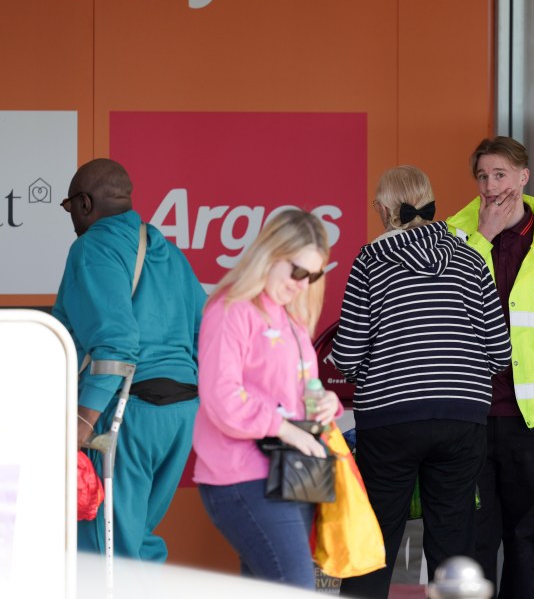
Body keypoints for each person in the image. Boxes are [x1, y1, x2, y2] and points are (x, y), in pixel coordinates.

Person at [333, 165, 512, 599]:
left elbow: (348, 354)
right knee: (453, 541)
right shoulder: (469, 257)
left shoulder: (370, 261)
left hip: (391, 418)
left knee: (375, 540)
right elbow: (502, 351)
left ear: (382, 209)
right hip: (463, 416)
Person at [446, 136, 534, 597]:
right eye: (483, 176)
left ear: (524, 177)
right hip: (469, 416)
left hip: (532, 420)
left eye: (500, 175)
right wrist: (482, 239)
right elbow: (444, 315)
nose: (490, 186)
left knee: (524, 540)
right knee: (476, 541)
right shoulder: (453, 236)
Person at [52, 157, 207, 561]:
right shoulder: (168, 251)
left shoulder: (92, 247)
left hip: (126, 412)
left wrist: (83, 422)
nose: (72, 219)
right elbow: (204, 333)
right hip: (179, 416)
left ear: (84, 203)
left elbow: (116, 345)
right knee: (135, 538)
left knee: (103, 549)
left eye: (70, 208)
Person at [191, 209, 342, 589]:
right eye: (297, 271)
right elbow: (221, 397)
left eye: (313, 275)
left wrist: (326, 402)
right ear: (271, 253)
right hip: (243, 476)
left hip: (290, 475)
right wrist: (286, 430)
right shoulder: (231, 309)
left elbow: (298, 391)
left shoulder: (290, 317)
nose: (303, 284)